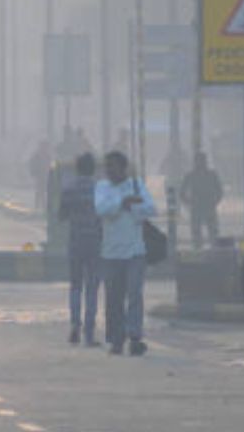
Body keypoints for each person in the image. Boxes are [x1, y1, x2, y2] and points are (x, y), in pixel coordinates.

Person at [95, 151, 157, 356]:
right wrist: (123, 203)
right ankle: (116, 339)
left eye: (112, 166)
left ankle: (135, 337)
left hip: (135, 251)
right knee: (113, 299)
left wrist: (133, 206)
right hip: (111, 252)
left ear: (123, 168)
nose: (108, 171)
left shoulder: (137, 185)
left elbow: (151, 209)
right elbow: (102, 209)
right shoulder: (102, 187)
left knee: (135, 296)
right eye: (107, 167)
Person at [58, 153, 102, 346]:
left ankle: (75, 325)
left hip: (75, 241)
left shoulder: (70, 189)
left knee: (76, 286)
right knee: (92, 287)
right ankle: (89, 331)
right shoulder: (100, 189)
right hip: (95, 242)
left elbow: (61, 215)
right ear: (93, 169)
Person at [179, 152, 224, 249]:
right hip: (205, 206)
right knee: (210, 233)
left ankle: (200, 252)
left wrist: (189, 202)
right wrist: (215, 202)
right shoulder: (210, 175)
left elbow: (182, 193)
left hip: (199, 207)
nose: (200, 163)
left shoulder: (192, 175)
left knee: (201, 233)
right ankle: (211, 251)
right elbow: (220, 191)